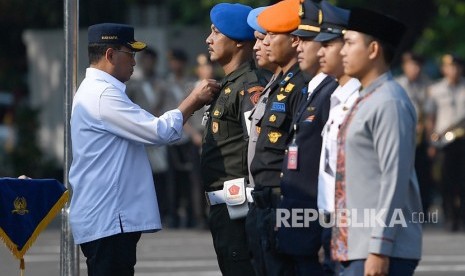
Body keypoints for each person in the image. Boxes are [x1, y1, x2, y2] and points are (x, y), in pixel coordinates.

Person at [68, 23, 220, 276]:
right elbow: (158, 131)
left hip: (108, 217)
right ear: (110, 55)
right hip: (110, 219)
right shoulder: (103, 94)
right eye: (130, 55)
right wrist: (194, 100)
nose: (135, 62)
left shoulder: (96, 90)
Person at [333, 8, 422, 275]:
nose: (342, 52)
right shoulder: (367, 98)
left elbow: (394, 179)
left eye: (349, 43)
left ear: (373, 50)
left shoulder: (389, 102)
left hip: (379, 252)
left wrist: (380, 248)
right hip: (355, 247)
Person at [272, 0, 338, 274]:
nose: (297, 46)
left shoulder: (332, 92)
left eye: (305, 39)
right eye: (296, 39)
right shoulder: (311, 91)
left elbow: (330, 167)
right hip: (296, 218)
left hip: (314, 221)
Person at [200, 3, 266, 275]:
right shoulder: (229, 85)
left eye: (217, 32)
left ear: (239, 42)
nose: (208, 39)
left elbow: (258, 149)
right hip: (225, 208)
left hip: (240, 209)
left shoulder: (249, 87)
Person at [245, 3, 302, 275]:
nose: (263, 43)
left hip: (281, 199)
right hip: (263, 199)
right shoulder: (279, 83)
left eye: (269, 36)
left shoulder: (300, 85)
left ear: (294, 40)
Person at [314, 2, 361, 275]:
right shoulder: (336, 98)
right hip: (330, 221)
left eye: (327, 45)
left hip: (352, 226)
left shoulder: (359, 99)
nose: (319, 52)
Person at [125, 46, 171, 223]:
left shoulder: (160, 82)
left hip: (158, 129)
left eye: (152, 60)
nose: (148, 63)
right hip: (140, 132)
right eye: (146, 60)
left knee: (161, 173)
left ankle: (164, 210)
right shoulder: (133, 83)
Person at [426, 54, 465, 232]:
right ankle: (449, 217)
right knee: (446, 181)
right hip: (444, 142)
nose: (454, 70)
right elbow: (430, 117)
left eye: (457, 67)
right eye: (450, 67)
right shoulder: (435, 90)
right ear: (444, 69)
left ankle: (462, 217)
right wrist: (432, 141)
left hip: (463, 139)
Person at [395, 52, 434, 214]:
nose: (415, 69)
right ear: (405, 66)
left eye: (418, 65)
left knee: (423, 174)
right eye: (412, 65)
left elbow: (430, 114)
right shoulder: (397, 85)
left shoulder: (428, 86)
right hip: (403, 135)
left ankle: (422, 209)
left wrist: (430, 140)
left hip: (421, 138)